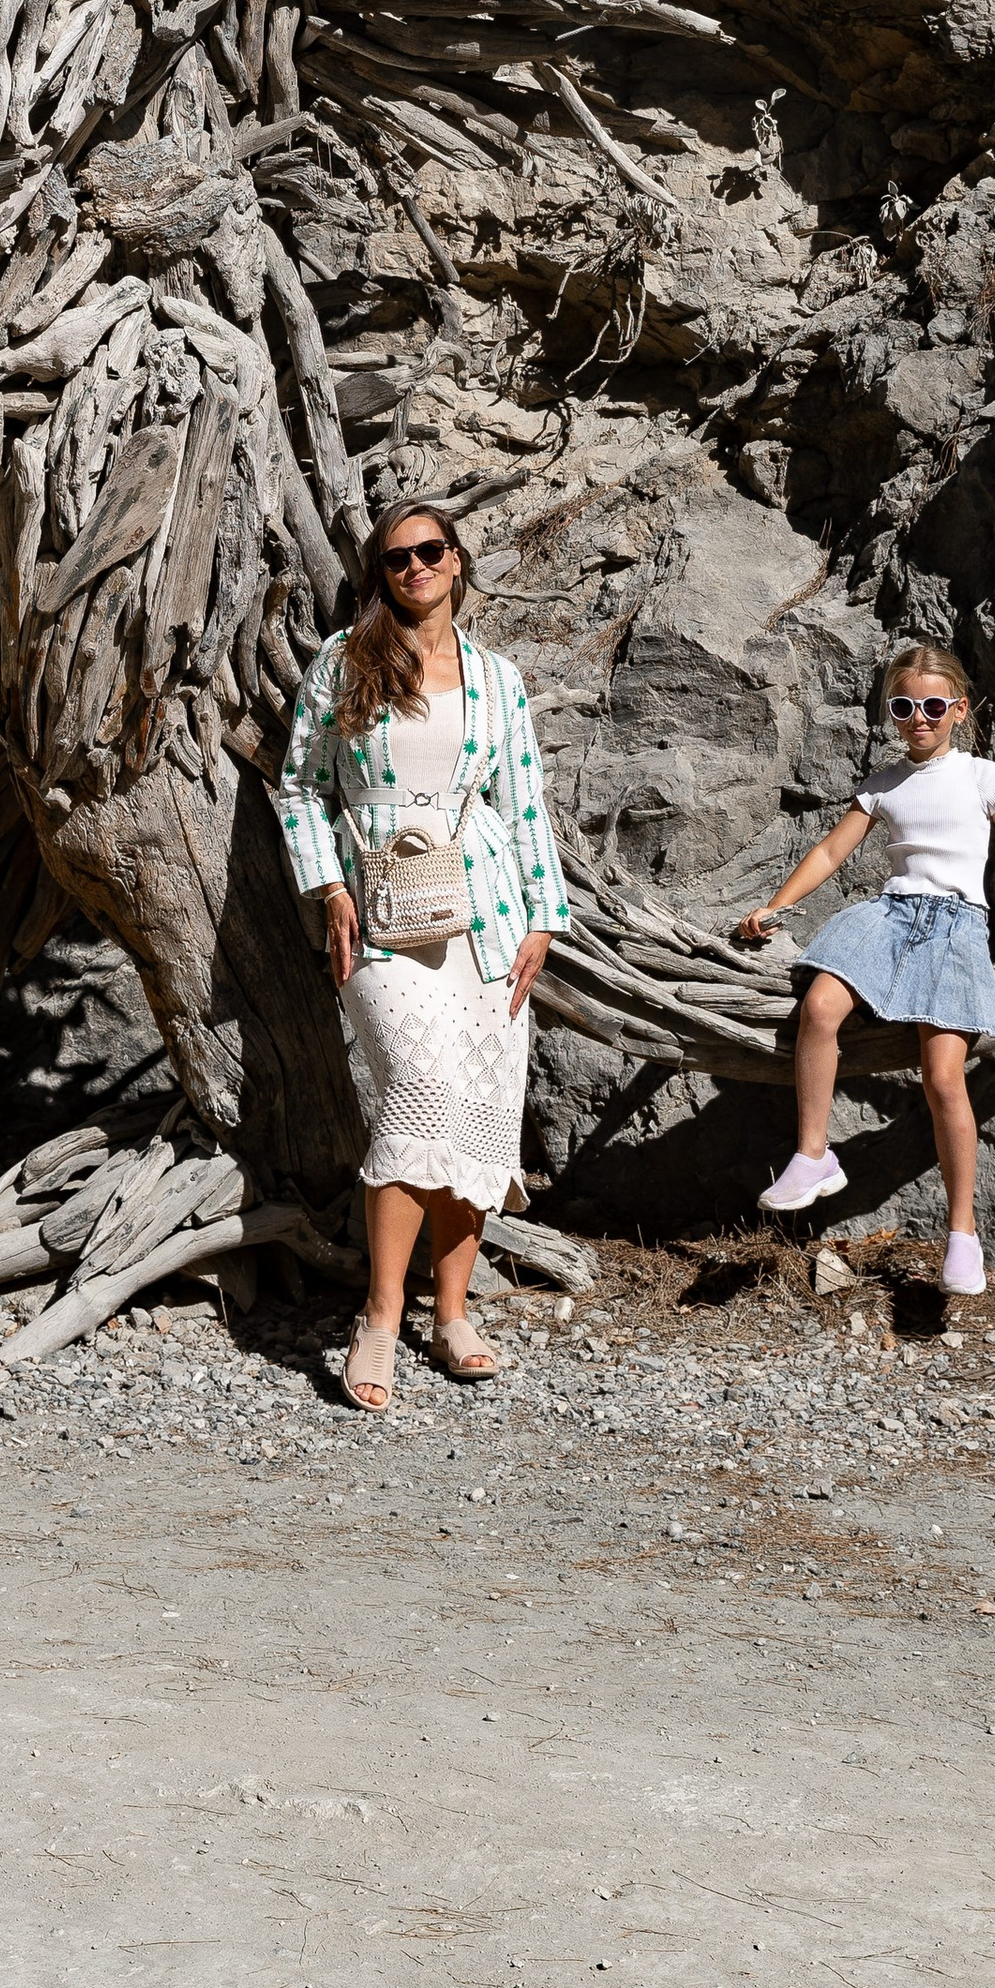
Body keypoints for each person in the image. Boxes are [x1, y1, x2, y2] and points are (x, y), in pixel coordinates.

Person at [276, 499, 570, 1412]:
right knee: (415, 1086)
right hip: (377, 908)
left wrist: (542, 919)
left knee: (480, 1105)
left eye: (430, 551)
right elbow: (297, 787)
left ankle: (452, 1316)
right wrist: (328, 890)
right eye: (396, 558)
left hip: (483, 909)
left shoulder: (497, 678)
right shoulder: (343, 663)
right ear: (380, 573)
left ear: (456, 559)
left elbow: (524, 800)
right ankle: (378, 1315)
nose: (415, 568)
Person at [733, 640, 995, 1295]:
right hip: (890, 916)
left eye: (931, 705)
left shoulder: (983, 778)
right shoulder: (883, 784)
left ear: (957, 709)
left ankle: (963, 1234)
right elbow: (833, 851)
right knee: (821, 1006)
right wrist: (775, 905)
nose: (918, 717)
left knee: (943, 1077)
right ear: (891, 713)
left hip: (955, 925)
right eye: (903, 705)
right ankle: (813, 1154)